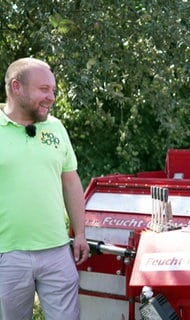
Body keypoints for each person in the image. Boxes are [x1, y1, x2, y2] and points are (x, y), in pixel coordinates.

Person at [0, 57, 90, 320]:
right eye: (43, 89)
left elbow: (70, 181)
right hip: (7, 253)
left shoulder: (56, 127)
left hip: (57, 251)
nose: (51, 97)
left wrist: (81, 233)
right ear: (17, 87)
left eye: (52, 89)